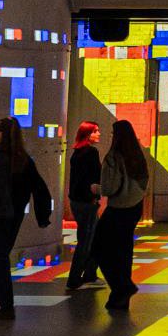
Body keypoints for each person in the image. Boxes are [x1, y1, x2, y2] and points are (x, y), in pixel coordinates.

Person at [0, 116, 53, 318]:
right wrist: (43, 217)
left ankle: (6, 306)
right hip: (13, 218)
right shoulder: (24, 161)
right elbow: (40, 190)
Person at [92, 118, 150, 310]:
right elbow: (143, 182)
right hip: (134, 208)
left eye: (111, 133)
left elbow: (109, 188)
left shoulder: (113, 157)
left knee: (99, 248)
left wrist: (96, 188)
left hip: (117, 209)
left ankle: (121, 287)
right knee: (124, 250)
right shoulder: (137, 156)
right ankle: (122, 292)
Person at [63, 120, 103, 292]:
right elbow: (95, 177)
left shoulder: (76, 153)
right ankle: (75, 278)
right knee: (87, 241)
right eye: (95, 131)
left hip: (76, 202)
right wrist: (94, 197)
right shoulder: (91, 153)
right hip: (87, 202)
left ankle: (89, 273)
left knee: (91, 238)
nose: (99, 134)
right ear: (87, 134)